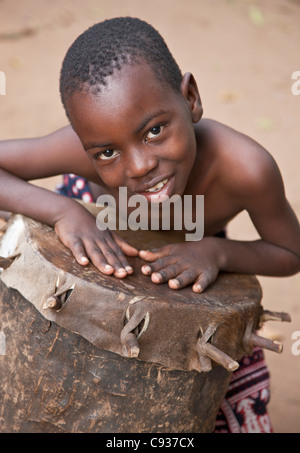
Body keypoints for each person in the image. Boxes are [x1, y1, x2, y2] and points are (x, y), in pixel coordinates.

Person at [0, 17, 299, 433]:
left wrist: (217, 251)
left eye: (155, 131)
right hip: (94, 213)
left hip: (196, 243)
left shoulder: (246, 169)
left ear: (190, 98)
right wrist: (64, 212)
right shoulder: (81, 153)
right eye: (106, 152)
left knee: (226, 391)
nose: (140, 166)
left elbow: (290, 253)